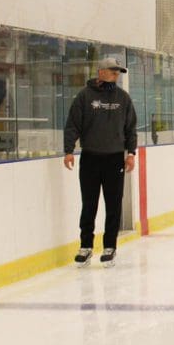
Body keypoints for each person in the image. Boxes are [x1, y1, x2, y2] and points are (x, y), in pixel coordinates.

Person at [63, 56, 137, 267]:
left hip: (115, 159)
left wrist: (131, 153)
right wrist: (69, 150)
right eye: (113, 72)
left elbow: (130, 127)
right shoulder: (84, 97)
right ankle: (86, 246)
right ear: (101, 72)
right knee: (89, 204)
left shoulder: (123, 98)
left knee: (113, 204)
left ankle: (109, 246)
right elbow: (72, 125)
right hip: (90, 158)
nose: (116, 76)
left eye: (118, 73)